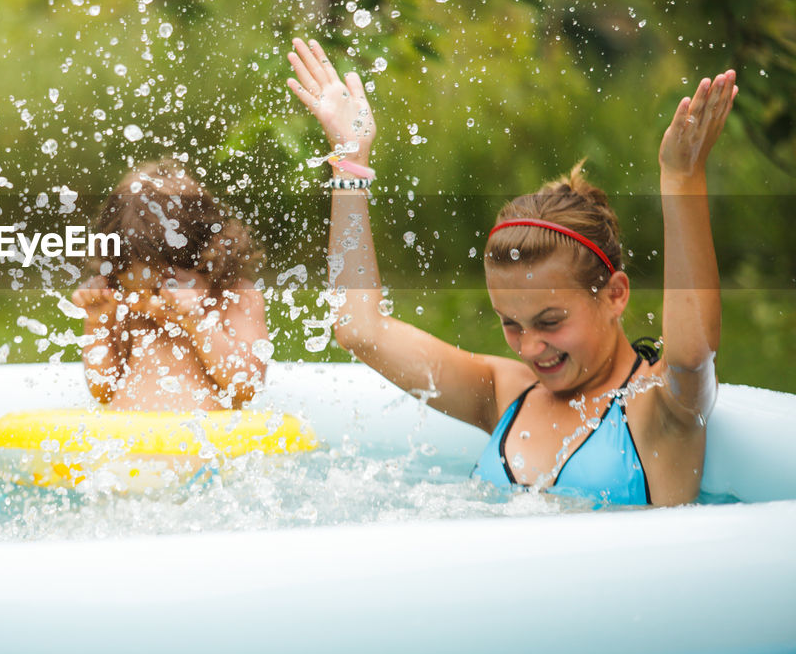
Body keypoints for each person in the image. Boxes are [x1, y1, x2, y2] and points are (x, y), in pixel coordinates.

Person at [287, 37, 735, 506]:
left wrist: (682, 180)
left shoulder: (662, 408)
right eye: (511, 325)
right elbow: (360, 330)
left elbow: (691, 354)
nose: (531, 347)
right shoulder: (507, 393)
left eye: (550, 321)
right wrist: (349, 161)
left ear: (615, 294)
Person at [71, 158, 269, 411]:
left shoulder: (235, 297)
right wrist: (98, 324)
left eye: (160, 289)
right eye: (134, 290)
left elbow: (248, 386)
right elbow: (103, 390)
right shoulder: (127, 305)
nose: (150, 302)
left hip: (206, 445)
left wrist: (197, 324)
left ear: (206, 258)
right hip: (129, 443)